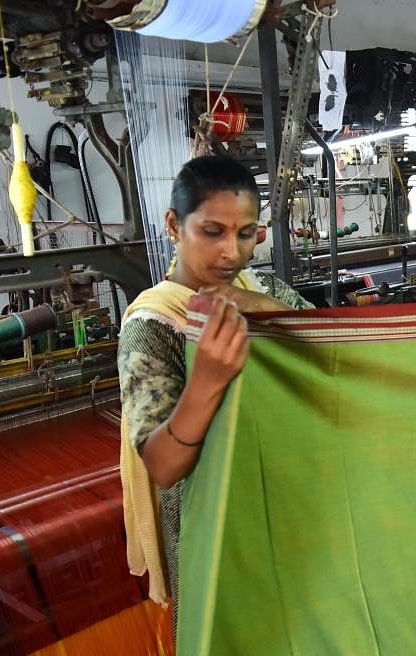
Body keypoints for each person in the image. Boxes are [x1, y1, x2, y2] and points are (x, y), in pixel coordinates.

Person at [118, 155, 313, 610]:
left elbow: (333, 347)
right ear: (173, 225)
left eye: (245, 233)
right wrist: (206, 381)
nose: (232, 252)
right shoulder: (153, 325)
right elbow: (162, 466)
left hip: (284, 508)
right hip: (210, 528)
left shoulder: (264, 290)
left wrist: (263, 307)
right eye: (212, 232)